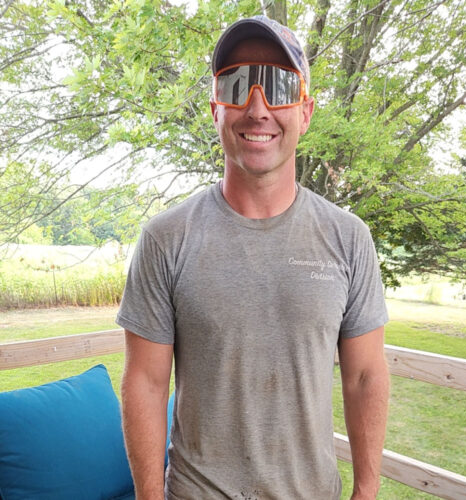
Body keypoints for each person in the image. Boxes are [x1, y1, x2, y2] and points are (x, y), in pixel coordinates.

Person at [118, 15, 390, 500]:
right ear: (215, 109)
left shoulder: (349, 238)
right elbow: (145, 381)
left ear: (305, 112)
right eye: (238, 84)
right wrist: (148, 495)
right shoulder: (165, 239)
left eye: (280, 86)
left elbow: (365, 376)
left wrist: (366, 491)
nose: (258, 107)